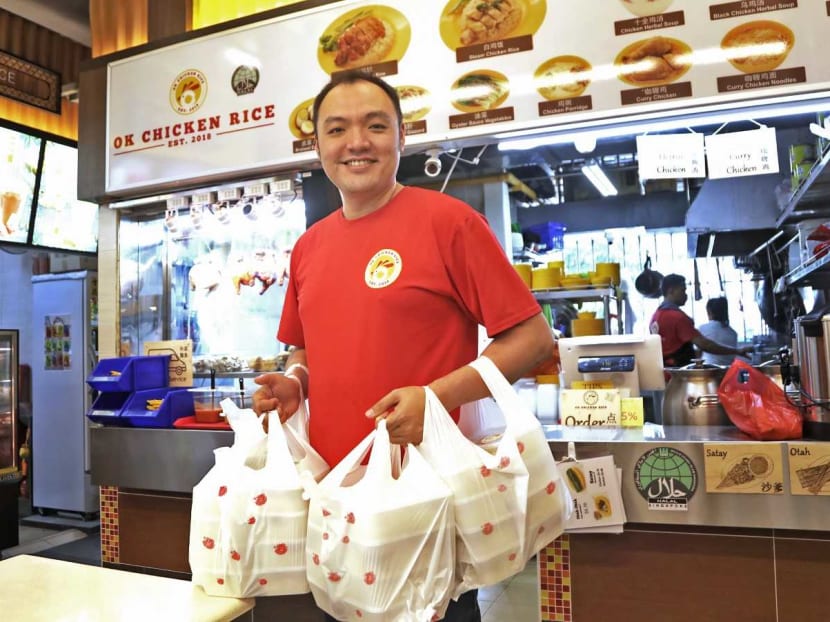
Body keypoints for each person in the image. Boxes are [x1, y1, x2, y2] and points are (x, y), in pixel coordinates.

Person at [251, 70, 554, 622]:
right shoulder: (308, 247)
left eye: (375, 125)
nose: (357, 142)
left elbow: (533, 338)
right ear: (317, 144)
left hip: (428, 503)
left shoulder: (449, 222)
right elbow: (304, 348)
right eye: (337, 129)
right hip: (337, 503)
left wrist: (435, 397)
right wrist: (296, 383)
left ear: (401, 138)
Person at [650, 274, 752, 368]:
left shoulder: (655, 317)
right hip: (678, 374)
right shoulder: (677, 317)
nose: (685, 295)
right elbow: (704, 345)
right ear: (671, 291)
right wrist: (737, 351)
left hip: (662, 372)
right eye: (683, 290)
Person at [698, 297, 742, 366]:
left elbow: (698, 354)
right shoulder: (733, 333)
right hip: (728, 371)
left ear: (709, 311)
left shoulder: (703, 328)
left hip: (708, 371)